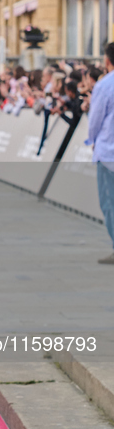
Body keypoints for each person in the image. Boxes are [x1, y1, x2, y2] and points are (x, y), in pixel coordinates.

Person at [87, 42, 114, 264]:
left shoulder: (105, 85)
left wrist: (92, 140)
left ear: (107, 61)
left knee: (110, 202)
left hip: (109, 152)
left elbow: (95, 118)